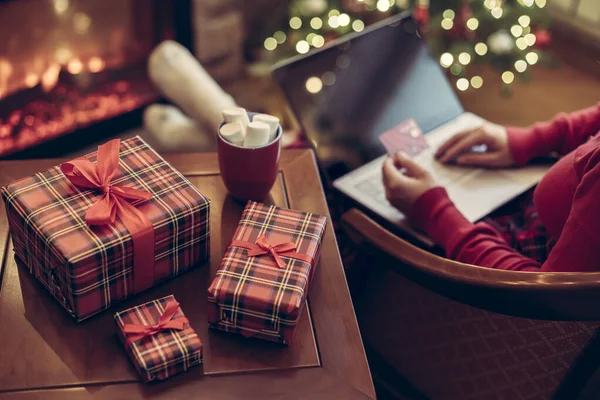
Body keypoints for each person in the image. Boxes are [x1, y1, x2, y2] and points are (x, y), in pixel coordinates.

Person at [381, 103, 600, 271]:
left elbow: (550, 297)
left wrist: (434, 213)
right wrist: (535, 140)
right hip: (538, 224)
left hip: (522, 268)